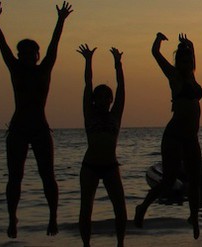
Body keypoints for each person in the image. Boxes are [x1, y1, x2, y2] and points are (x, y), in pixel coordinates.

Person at [0, 1, 72, 238]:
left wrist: (60, 21)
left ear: (36, 55)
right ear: (20, 56)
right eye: (23, 54)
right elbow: (2, 46)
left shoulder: (44, 68)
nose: (27, 57)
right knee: (15, 176)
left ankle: (53, 217)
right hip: (18, 128)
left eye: (31, 53)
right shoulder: (15, 69)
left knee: (48, 175)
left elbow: (54, 46)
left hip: (39, 128)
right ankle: (12, 219)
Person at [134, 32, 202, 239]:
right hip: (174, 135)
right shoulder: (174, 75)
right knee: (168, 180)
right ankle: (143, 207)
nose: (185, 63)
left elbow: (192, 57)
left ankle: (194, 218)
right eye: (181, 60)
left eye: (188, 60)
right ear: (177, 62)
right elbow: (155, 53)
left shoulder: (192, 74)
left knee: (195, 178)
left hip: (191, 137)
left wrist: (190, 44)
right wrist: (157, 38)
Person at [76, 45, 127, 247]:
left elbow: (121, 87)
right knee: (86, 207)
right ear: (94, 100)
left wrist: (118, 64)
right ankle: (86, 244)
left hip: (110, 166)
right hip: (90, 165)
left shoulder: (115, 115)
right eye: (100, 97)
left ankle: (120, 243)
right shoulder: (89, 113)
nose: (104, 99)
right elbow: (87, 83)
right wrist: (88, 61)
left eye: (107, 97)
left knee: (120, 208)